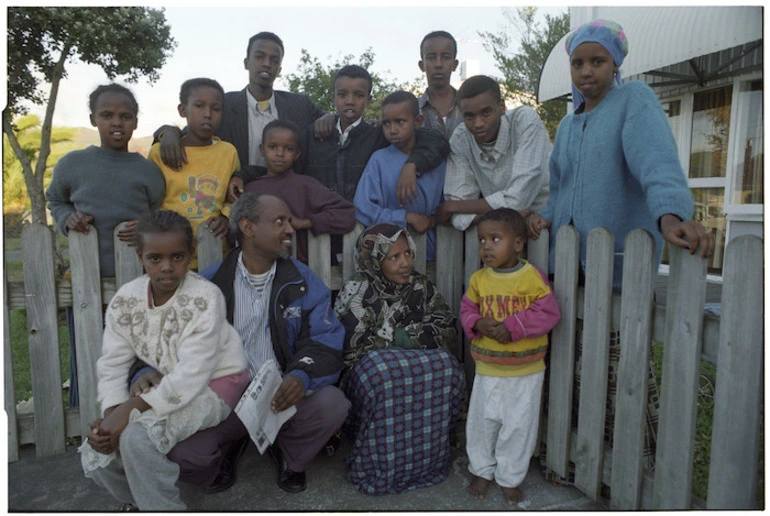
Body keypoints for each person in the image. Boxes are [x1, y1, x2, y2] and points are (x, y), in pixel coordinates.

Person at [525, 20, 714, 487]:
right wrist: (546, 216)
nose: (586, 72)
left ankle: (637, 467)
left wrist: (670, 213)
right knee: (568, 365)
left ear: (616, 64)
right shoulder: (569, 123)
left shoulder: (635, 102)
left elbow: (657, 161)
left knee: (622, 374)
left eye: (597, 61)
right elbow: (562, 183)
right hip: (568, 267)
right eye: (578, 62)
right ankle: (574, 457)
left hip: (616, 268)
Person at [130, 193, 350, 494]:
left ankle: (289, 456)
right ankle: (228, 446)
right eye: (279, 222)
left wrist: (300, 375)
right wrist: (143, 371)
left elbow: (326, 340)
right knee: (183, 456)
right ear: (248, 228)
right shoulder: (207, 287)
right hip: (224, 402)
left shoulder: (302, 281)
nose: (289, 229)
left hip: (282, 395)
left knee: (333, 404)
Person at [80, 210, 248, 511]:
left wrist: (129, 411)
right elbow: (113, 362)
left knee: (136, 438)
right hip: (169, 381)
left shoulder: (205, 298)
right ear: (140, 256)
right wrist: (112, 411)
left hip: (217, 383)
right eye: (155, 258)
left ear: (191, 255)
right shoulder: (126, 299)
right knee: (97, 447)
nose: (167, 268)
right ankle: (141, 499)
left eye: (178, 257)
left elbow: (194, 374)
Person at [45, 83, 166, 407]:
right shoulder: (72, 164)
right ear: (93, 119)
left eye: (125, 116)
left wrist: (147, 228)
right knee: (87, 352)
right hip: (85, 284)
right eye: (107, 115)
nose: (117, 122)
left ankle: (133, 416)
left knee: (138, 355)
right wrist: (66, 217)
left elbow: (158, 214)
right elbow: (55, 200)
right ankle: (84, 416)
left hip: (137, 286)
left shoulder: (147, 171)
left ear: (136, 122)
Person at [334, 223, 464, 495]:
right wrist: (413, 340)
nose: (405, 262)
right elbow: (353, 345)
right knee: (383, 374)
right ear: (374, 260)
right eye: (394, 257)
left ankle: (429, 460)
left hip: (411, 369)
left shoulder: (422, 286)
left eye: (408, 253)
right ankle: (381, 464)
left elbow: (446, 329)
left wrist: (398, 339)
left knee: (448, 368)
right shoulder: (357, 290)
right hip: (370, 374)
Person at [459, 208, 560, 506]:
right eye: (481, 239)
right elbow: (467, 310)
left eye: (495, 239)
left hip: (525, 370)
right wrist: (477, 323)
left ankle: (510, 476)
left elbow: (548, 312)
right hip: (488, 367)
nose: (486, 246)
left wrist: (513, 327)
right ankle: (481, 469)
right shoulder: (479, 280)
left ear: (517, 244)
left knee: (518, 425)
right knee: (482, 422)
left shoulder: (531, 278)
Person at [154, 32, 333, 198]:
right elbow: (192, 132)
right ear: (246, 63)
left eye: (274, 59)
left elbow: (333, 121)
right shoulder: (223, 104)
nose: (266, 63)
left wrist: (330, 117)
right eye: (259, 56)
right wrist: (169, 132)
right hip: (237, 199)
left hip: (289, 201)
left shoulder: (299, 104)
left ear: (279, 69)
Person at [297, 64, 451, 206]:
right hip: (317, 225)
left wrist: (413, 164)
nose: (350, 101)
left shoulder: (379, 135)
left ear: (369, 100)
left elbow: (438, 141)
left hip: (362, 225)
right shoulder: (312, 136)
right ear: (334, 98)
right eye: (342, 94)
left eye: (358, 95)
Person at [437, 75, 551, 231]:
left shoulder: (524, 121)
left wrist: (455, 206)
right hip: (498, 234)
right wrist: (486, 216)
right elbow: (457, 216)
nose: (478, 123)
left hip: (547, 226)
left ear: (502, 107)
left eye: (486, 113)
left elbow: (518, 199)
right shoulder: (460, 138)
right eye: (469, 116)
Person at [149, 77, 238, 270]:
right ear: (183, 110)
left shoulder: (228, 152)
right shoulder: (160, 152)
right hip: (168, 258)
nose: (208, 114)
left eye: (216, 108)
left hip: (214, 256)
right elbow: (148, 199)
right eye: (199, 106)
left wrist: (225, 217)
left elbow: (233, 196)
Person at [243, 119, 356, 264]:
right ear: (262, 150)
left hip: (303, 269)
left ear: (297, 154)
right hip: (258, 268)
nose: (280, 154)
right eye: (273, 147)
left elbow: (347, 214)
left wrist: (305, 223)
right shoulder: (251, 188)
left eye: (288, 149)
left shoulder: (306, 185)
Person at [353, 91, 446, 261]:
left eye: (400, 122)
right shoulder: (379, 160)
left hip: (434, 250)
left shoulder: (437, 163)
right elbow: (362, 208)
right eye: (386, 123)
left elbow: (447, 203)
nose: (392, 130)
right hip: (389, 252)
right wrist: (405, 217)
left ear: (417, 121)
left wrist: (433, 219)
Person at [417, 30, 463, 138]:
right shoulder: (412, 111)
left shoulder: (469, 107)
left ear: (455, 65)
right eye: (431, 57)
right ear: (422, 65)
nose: (438, 64)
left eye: (446, 57)